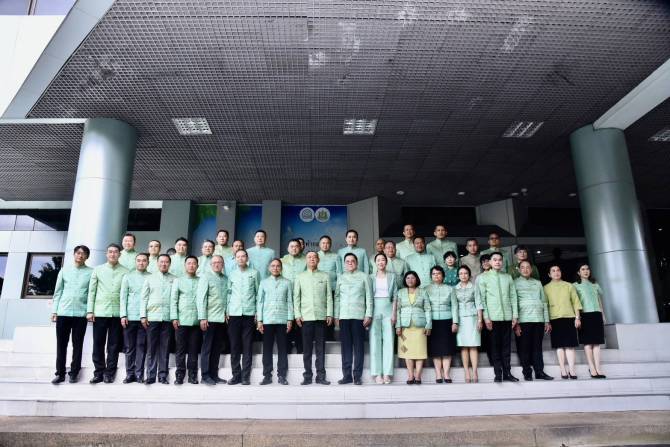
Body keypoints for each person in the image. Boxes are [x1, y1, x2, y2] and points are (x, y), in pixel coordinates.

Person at [87, 243, 129, 384]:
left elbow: (126, 294)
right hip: (100, 312)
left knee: (113, 344)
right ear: (106, 254)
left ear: (119, 254)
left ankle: (110, 373)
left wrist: (124, 314)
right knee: (98, 343)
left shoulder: (126, 271)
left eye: (115, 252)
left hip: (117, 313)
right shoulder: (98, 270)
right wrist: (90, 311)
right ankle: (98, 372)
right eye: (110, 252)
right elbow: (92, 291)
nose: (112, 254)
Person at [51, 245, 93, 384]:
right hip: (63, 312)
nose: (80, 255)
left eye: (84, 254)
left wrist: (89, 311)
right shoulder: (64, 270)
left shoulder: (91, 272)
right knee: (61, 344)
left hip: (81, 314)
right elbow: (58, 292)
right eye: (78, 253)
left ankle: (74, 373)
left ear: (87, 257)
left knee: (78, 345)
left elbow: (91, 293)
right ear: (74, 254)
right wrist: (55, 311)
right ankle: (60, 373)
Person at [478, 252, 519, 382]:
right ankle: (498, 374)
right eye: (494, 260)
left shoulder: (508, 277)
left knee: (506, 347)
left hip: (507, 317)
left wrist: (515, 315)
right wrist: (486, 317)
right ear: (489, 262)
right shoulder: (482, 278)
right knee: (494, 347)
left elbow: (513, 297)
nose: (497, 262)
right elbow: (481, 299)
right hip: (492, 318)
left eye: (500, 260)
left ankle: (508, 373)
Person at [294, 251, 333, 385]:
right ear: (306, 260)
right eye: (309, 257)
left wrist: (329, 313)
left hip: (321, 316)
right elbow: (296, 297)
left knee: (320, 348)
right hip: (306, 317)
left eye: (314, 257)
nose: (312, 259)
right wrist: (297, 315)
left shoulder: (325, 276)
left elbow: (329, 296)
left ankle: (321, 376)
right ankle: (307, 376)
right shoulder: (300, 276)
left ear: (318, 260)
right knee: (307, 349)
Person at [335, 253, 373, 385]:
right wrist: (336, 315)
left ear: (356, 263)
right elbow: (337, 298)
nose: (350, 263)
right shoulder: (341, 277)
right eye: (347, 261)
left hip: (359, 316)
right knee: (345, 347)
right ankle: (346, 376)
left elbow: (369, 296)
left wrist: (368, 314)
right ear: (344, 264)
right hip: (344, 316)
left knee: (358, 347)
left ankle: (357, 376)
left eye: (352, 261)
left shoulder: (364, 276)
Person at [140, 254, 177, 384]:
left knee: (165, 348)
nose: (163, 264)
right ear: (157, 263)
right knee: (151, 347)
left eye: (166, 262)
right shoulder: (149, 278)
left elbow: (175, 299)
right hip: (152, 317)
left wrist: (174, 317)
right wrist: (143, 316)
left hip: (167, 318)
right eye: (161, 262)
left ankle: (162, 376)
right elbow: (144, 298)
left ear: (169, 264)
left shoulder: (174, 279)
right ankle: (150, 376)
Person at [514, 260, 553, 381]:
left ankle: (539, 372)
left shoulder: (537, 283)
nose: (525, 269)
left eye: (528, 267)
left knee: (537, 347)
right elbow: (514, 303)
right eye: (523, 267)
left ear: (531, 270)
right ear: (519, 269)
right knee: (524, 347)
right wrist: (516, 323)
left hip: (538, 319)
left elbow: (544, 302)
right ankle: (527, 372)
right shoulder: (514, 283)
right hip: (523, 320)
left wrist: (546, 321)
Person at [257, 258, 293, 385]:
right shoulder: (264, 283)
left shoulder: (287, 283)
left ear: (281, 268)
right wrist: (260, 320)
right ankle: (267, 375)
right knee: (267, 348)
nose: (275, 268)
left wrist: (290, 319)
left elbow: (290, 302)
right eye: (273, 266)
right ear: (269, 268)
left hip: (282, 319)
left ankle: (282, 375)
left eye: (278, 266)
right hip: (267, 319)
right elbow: (260, 302)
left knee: (283, 348)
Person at [227, 249, 260, 385]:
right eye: (238, 257)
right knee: (234, 346)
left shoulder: (255, 273)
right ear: (235, 259)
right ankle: (236, 376)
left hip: (249, 313)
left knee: (247, 346)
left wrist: (258, 312)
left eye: (243, 256)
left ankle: (245, 377)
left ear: (247, 258)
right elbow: (228, 293)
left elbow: (258, 294)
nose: (240, 258)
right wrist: (227, 310)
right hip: (234, 313)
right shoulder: (231, 274)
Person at [544, 265, 582, 380]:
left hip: (569, 317)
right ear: (549, 274)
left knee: (570, 346)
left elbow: (576, 302)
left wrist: (577, 318)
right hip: (554, 319)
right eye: (553, 271)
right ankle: (562, 369)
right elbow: (545, 305)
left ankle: (572, 370)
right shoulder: (545, 288)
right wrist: (547, 321)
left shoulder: (569, 285)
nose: (556, 272)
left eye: (558, 270)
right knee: (559, 346)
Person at [197, 254, 229, 385]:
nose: (216, 264)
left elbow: (227, 298)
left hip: (221, 319)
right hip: (209, 318)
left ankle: (214, 375)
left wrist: (227, 312)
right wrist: (202, 317)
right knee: (207, 348)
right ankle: (205, 376)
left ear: (223, 265)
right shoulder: (205, 277)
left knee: (217, 348)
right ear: (211, 265)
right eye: (214, 262)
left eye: (219, 262)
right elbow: (201, 298)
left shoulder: (225, 279)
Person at [120, 252, 151, 383]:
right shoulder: (128, 276)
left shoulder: (151, 277)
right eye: (138, 260)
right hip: (130, 316)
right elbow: (123, 297)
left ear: (148, 262)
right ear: (135, 262)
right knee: (129, 347)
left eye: (144, 260)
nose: (141, 263)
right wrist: (123, 315)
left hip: (145, 318)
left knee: (141, 346)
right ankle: (129, 374)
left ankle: (139, 374)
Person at [395, 271, 431, 384]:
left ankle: (418, 375)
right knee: (407, 351)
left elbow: (428, 309)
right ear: (405, 280)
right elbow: (397, 310)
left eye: (413, 278)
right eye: (408, 278)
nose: (410, 280)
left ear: (417, 280)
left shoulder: (423, 291)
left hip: (420, 325)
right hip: (405, 327)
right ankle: (410, 375)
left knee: (420, 351)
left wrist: (429, 325)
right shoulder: (400, 292)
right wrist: (398, 325)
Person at [170, 256, 201, 384]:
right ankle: (180, 375)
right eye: (189, 263)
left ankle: (193, 375)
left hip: (196, 320)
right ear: (185, 266)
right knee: (180, 349)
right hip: (181, 320)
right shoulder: (178, 281)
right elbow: (173, 300)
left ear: (197, 266)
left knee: (194, 349)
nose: (191, 266)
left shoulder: (201, 281)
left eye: (194, 263)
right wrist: (174, 317)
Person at [425, 266, 458, 383]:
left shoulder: (450, 289)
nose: (436, 276)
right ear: (431, 276)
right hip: (432, 321)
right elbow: (426, 307)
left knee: (447, 348)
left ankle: (447, 374)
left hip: (447, 320)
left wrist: (455, 322)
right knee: (436, 350)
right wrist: (427, 323)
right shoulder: (426, 289)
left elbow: (454, 306)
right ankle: (438, 374)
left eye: (438, 273)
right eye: (434, 274)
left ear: (443, 276)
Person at [574, 264, 606, 379]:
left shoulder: (595, 284)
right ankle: (591, 367)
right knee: (588, 343)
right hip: (584, 315)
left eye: (587, 269)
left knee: (597, 343)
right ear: (578, 272)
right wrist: (577, 318)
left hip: (596, 314)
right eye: (583, 269)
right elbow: (575, 303)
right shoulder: (575, 285)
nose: (586, 271)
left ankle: (598, 368)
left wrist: (603, 314)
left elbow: (599, 300)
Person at [369, 253, 398, 384]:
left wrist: (394, 313)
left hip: (388, 308)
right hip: (375, 308)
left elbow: (396, 296)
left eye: (383, 260)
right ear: (375, 263)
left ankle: (387, 373)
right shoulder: (370, 277)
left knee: (389, 341)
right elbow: (367, 296)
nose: (381, 262)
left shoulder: (392, 276)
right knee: (375, 341)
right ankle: (377, 373)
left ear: (386, 262)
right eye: (378, 260)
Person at [454, 265, 483, 383]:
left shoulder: (474, 287)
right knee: (464, 346)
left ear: (469, 275)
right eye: (461, 273)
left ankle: (475, 371)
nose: (463, 275)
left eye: (465, 273)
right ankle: (466, 371)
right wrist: (455, 321)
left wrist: (480, 320)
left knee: (473, 345)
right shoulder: (454, 289)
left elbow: (479, 303)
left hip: (473, 318)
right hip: (460, 318)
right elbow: (454, 306)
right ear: (458, 276)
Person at [281, 239, 306, 354]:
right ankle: (287, 348)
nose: (294, 248)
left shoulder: (305, 260)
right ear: (288, 248)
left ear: (300, 247)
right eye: (291, 246)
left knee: (300, 322)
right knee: (287, 321)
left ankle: (301, 349)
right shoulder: (282, 260)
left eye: (296, 246)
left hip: (302, 295)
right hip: (286, 295)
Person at [476, 253, 493, 365]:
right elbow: (478, 296)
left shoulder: (497, 275)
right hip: (484, 309)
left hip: (496, 310)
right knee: (487, 336)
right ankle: (491, 358)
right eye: (483, 262)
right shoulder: (479, 277)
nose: (486, 263)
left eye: (487, 261)